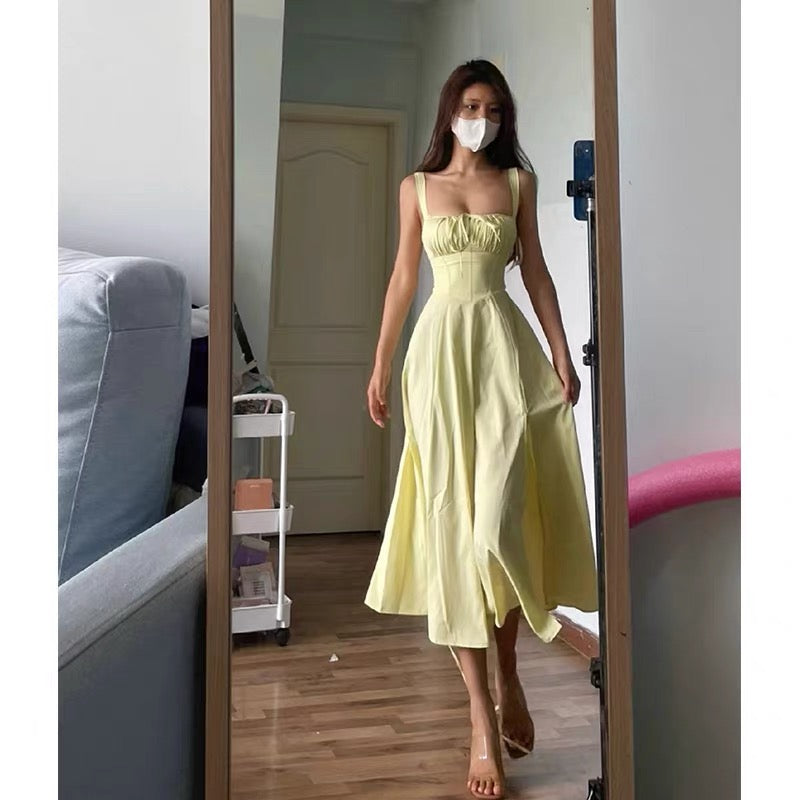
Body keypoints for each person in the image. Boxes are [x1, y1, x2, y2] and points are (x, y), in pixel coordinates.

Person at [364, 59, 598, 799]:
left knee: (498, 521)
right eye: (471, 106)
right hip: (437, 359)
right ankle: (479, 718)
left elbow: (537, 274)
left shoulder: (517, 184)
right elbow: (404, 277)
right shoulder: (417, 188)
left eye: (494, 109)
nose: (482, 119)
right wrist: (380, 363)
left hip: (502, 354)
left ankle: (510, 674)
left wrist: (561, 352)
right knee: (454, 533)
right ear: (450, 111)